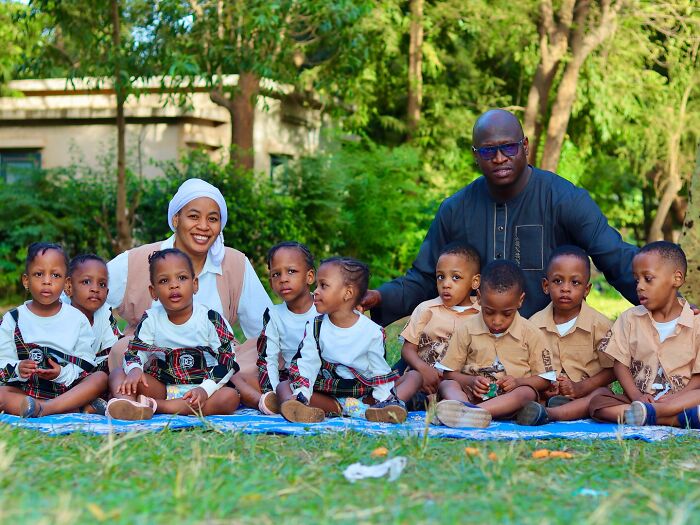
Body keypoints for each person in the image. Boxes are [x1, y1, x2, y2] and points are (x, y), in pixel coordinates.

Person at [361, 109, 639, 325]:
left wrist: (668, 304)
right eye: (487, 151)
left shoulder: (564, 199)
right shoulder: (456, 209)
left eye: (508, 147)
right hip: (473, 344)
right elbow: (423, 278)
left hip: (546, 345)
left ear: (525, 146)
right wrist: (380, 297)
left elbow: (614, 256)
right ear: (476, 156)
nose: (498, 158)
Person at [106, 178, 272, 400]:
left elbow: (263, 326)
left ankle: (165, 402)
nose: (203, 226)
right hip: (156, 368)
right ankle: (242, 395)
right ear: (176, 219)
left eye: (212, 219)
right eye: (194, 216)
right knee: (123, 349)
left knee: (268, 347)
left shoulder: (235, 263)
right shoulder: (138, 260)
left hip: (215, 370)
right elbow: (85, 295)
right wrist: (107, 337)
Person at [277, 257, 422, 424]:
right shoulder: (315, 327)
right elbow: (307, 363)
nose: (315, 291)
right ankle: (300, 408)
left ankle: (384, 408)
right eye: (317, 285)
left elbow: (378, 370)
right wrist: (302, 394)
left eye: (323, 286)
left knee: (414, 377)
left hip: (366, 396)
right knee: (284, 386)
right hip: (329, 396)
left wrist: (383, 398)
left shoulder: (372, 332)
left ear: (348, 293)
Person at [106, 249, 241, 420]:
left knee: (230, 398)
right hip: (162, 387)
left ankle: (154, 406)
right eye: (164, 281)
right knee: (119, 373)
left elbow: (228, 360)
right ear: (153, 292)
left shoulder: (211, 319)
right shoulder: (151, 318)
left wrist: (205, 389)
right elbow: (135, 351)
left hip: (200, 389)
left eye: (182, 278)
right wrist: (134, 370)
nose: (174, 285)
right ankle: (127, 405)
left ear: (195, 284)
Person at [589, 242, 700, 428]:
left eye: (648, 279)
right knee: (597, 403)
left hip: (682, 398)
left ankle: (655, 414)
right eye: (636, 280)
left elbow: (698, 377)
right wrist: (637, 397)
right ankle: (675, 419)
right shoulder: (630, 318)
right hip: (642, 398)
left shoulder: (696, 322)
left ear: (677, 278)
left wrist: (676, 397)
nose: (639, 286)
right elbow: (620, 364)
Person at [435, 261, 554, 428]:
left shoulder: (532, 333)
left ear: (520, 301)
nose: (497, 321)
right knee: (447, 385)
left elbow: (545, 378)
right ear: (480, 298)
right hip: (471, 396)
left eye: (507, 314)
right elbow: (449, 373)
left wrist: (518, 382)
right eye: (489, 312)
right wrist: (471, 381)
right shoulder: (466, 329)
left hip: (512, 402)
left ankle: (471, 413)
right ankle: (463, 408)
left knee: (526, 392)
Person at [0, 243, 107, 418]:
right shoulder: (13, 319)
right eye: (39, 274)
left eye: (55, 275)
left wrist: (61, 373)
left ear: (66, 283)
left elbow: (86, 362)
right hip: (26, 390)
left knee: (100, 378)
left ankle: (45, 409)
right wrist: (19, 369)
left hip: (67, 389)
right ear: (26, 281)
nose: (47, 281)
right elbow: (2, 362)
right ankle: (74, 409)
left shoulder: (77, 319)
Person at [516, 246, 614, 425]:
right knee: (526, 392)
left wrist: (580, 388)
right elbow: (527, 366)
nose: (565, 289)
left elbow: (613, 369)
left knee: (602, 395)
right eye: (558, 281)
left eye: (575, 283)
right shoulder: (533, 324)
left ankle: (550, 414)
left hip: (587, 392)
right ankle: (550, 406)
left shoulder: (600, 325)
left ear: (587, 289)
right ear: (546, 286)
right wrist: (544, 386)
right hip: (547, 393)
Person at [236, 241, 318, 415]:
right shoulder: (274, 315)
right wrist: (271, 392)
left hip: (326, 378)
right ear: (271, 282)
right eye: (276, 274)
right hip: (292, 381)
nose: (283, 279)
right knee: (240, 377)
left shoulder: (323, 310)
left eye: (291, 271)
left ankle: (296, 405)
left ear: (310, 277)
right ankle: (287, 404)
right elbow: (268, 358)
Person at [400, 243, 480, 407]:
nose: (446, 284)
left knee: (452, 387)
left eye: (456, 277)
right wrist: (423, 369)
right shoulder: (426, 309)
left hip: (457, 382)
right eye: (440, 277)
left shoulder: (481, 313)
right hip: (424, 379)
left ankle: (463, 409)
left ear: (475, 282)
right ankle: (393, 403)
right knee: (411, 378)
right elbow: (408, 349)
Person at [64, 254, 122, 375]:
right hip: (58, 370)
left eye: (102, 284)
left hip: (86, 372)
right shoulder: (59, 311)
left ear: (107, 292)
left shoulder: (104, 313)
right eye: (86, 282)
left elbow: (113, 348)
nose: (95, 289)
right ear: (69, 286)